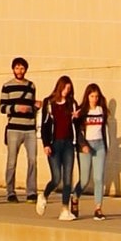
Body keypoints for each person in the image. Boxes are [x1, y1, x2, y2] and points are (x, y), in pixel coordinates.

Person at [0, 57, 39, 203]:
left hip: (29, 128)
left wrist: (36, 106)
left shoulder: (31, 86)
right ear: (13, 69)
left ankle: (31, 191)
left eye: (22, 68)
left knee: (33, 160)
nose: (19, 71)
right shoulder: (7, 86)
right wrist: (16, 108)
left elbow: (32, 105)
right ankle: (10, 191)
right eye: (17, 68)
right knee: (11, 161)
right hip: (14, 128)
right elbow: (2, 107)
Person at [40, 74, 79, 219]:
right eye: (64, 87)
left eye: (69, 88)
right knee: (56, 178)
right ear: (59, 87)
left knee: (68, 178)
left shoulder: (72, 103)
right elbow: (44, 125)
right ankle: (44, 195)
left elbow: (77, 123)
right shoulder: (49, 103)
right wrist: (46, 144)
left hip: (69, 143)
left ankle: (64, 209)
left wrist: (76, 118)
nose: (66, 91)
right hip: (54, 143)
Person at [80, 81, 112, 218]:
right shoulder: (83, 111)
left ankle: (98, 208)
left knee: (98, 178)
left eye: (96, 96)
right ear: (87, 96)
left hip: (99, 145)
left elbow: (105, 129)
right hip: (87, 146)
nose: (94, 99)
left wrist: (106, 146)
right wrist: (83, 145)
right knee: (85, 179)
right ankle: (74, 198)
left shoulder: (101, 111)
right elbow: (79, 131)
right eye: (92, 96)